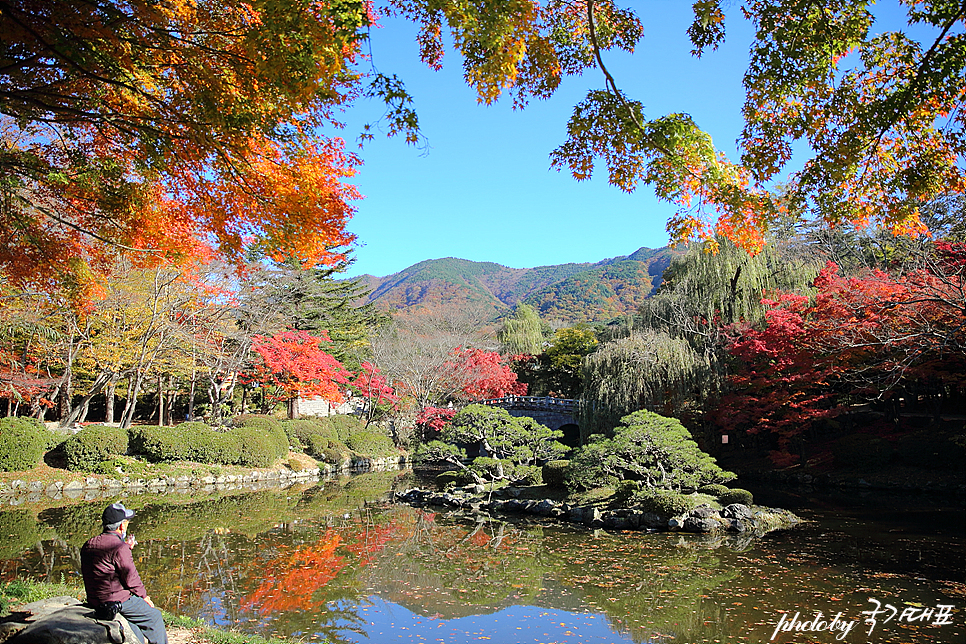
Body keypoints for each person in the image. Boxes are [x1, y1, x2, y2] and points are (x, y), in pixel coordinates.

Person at [81, 502, 168, 644]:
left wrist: (124, 548)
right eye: (127, 522)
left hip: (95, 600)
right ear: (122, 526)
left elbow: (105, 560)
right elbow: (131, 578)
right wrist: (144, 597)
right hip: (117, 601)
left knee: (134, 628)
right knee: (155, 617)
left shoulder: (89, 544)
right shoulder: (119, 548)